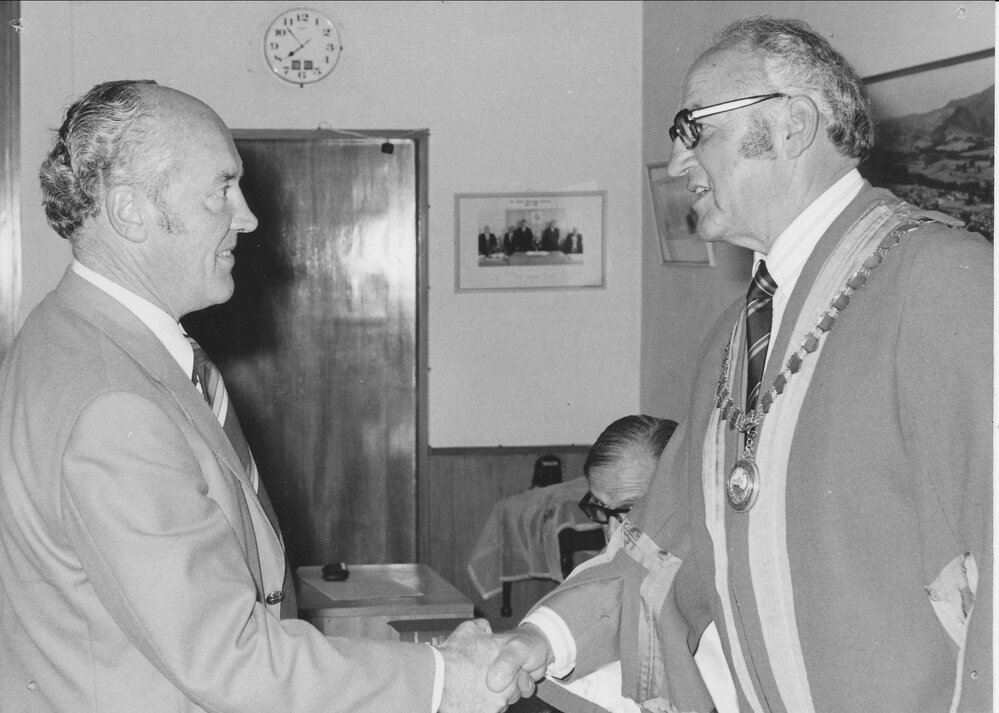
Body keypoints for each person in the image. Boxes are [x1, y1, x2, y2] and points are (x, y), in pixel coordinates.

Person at [488, 16, 992, 713]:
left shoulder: (942, 280)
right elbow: (664, 547)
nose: (676, 162)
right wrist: (541, 640)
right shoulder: (734, 336)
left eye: (695, 128)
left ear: (792, 125)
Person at [0, 79, 521, 713]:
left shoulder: (65, 335)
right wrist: (444, 679)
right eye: (222, 189)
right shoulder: (114, 405)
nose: (247, 217)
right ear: (129, 211)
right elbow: (229, 657)